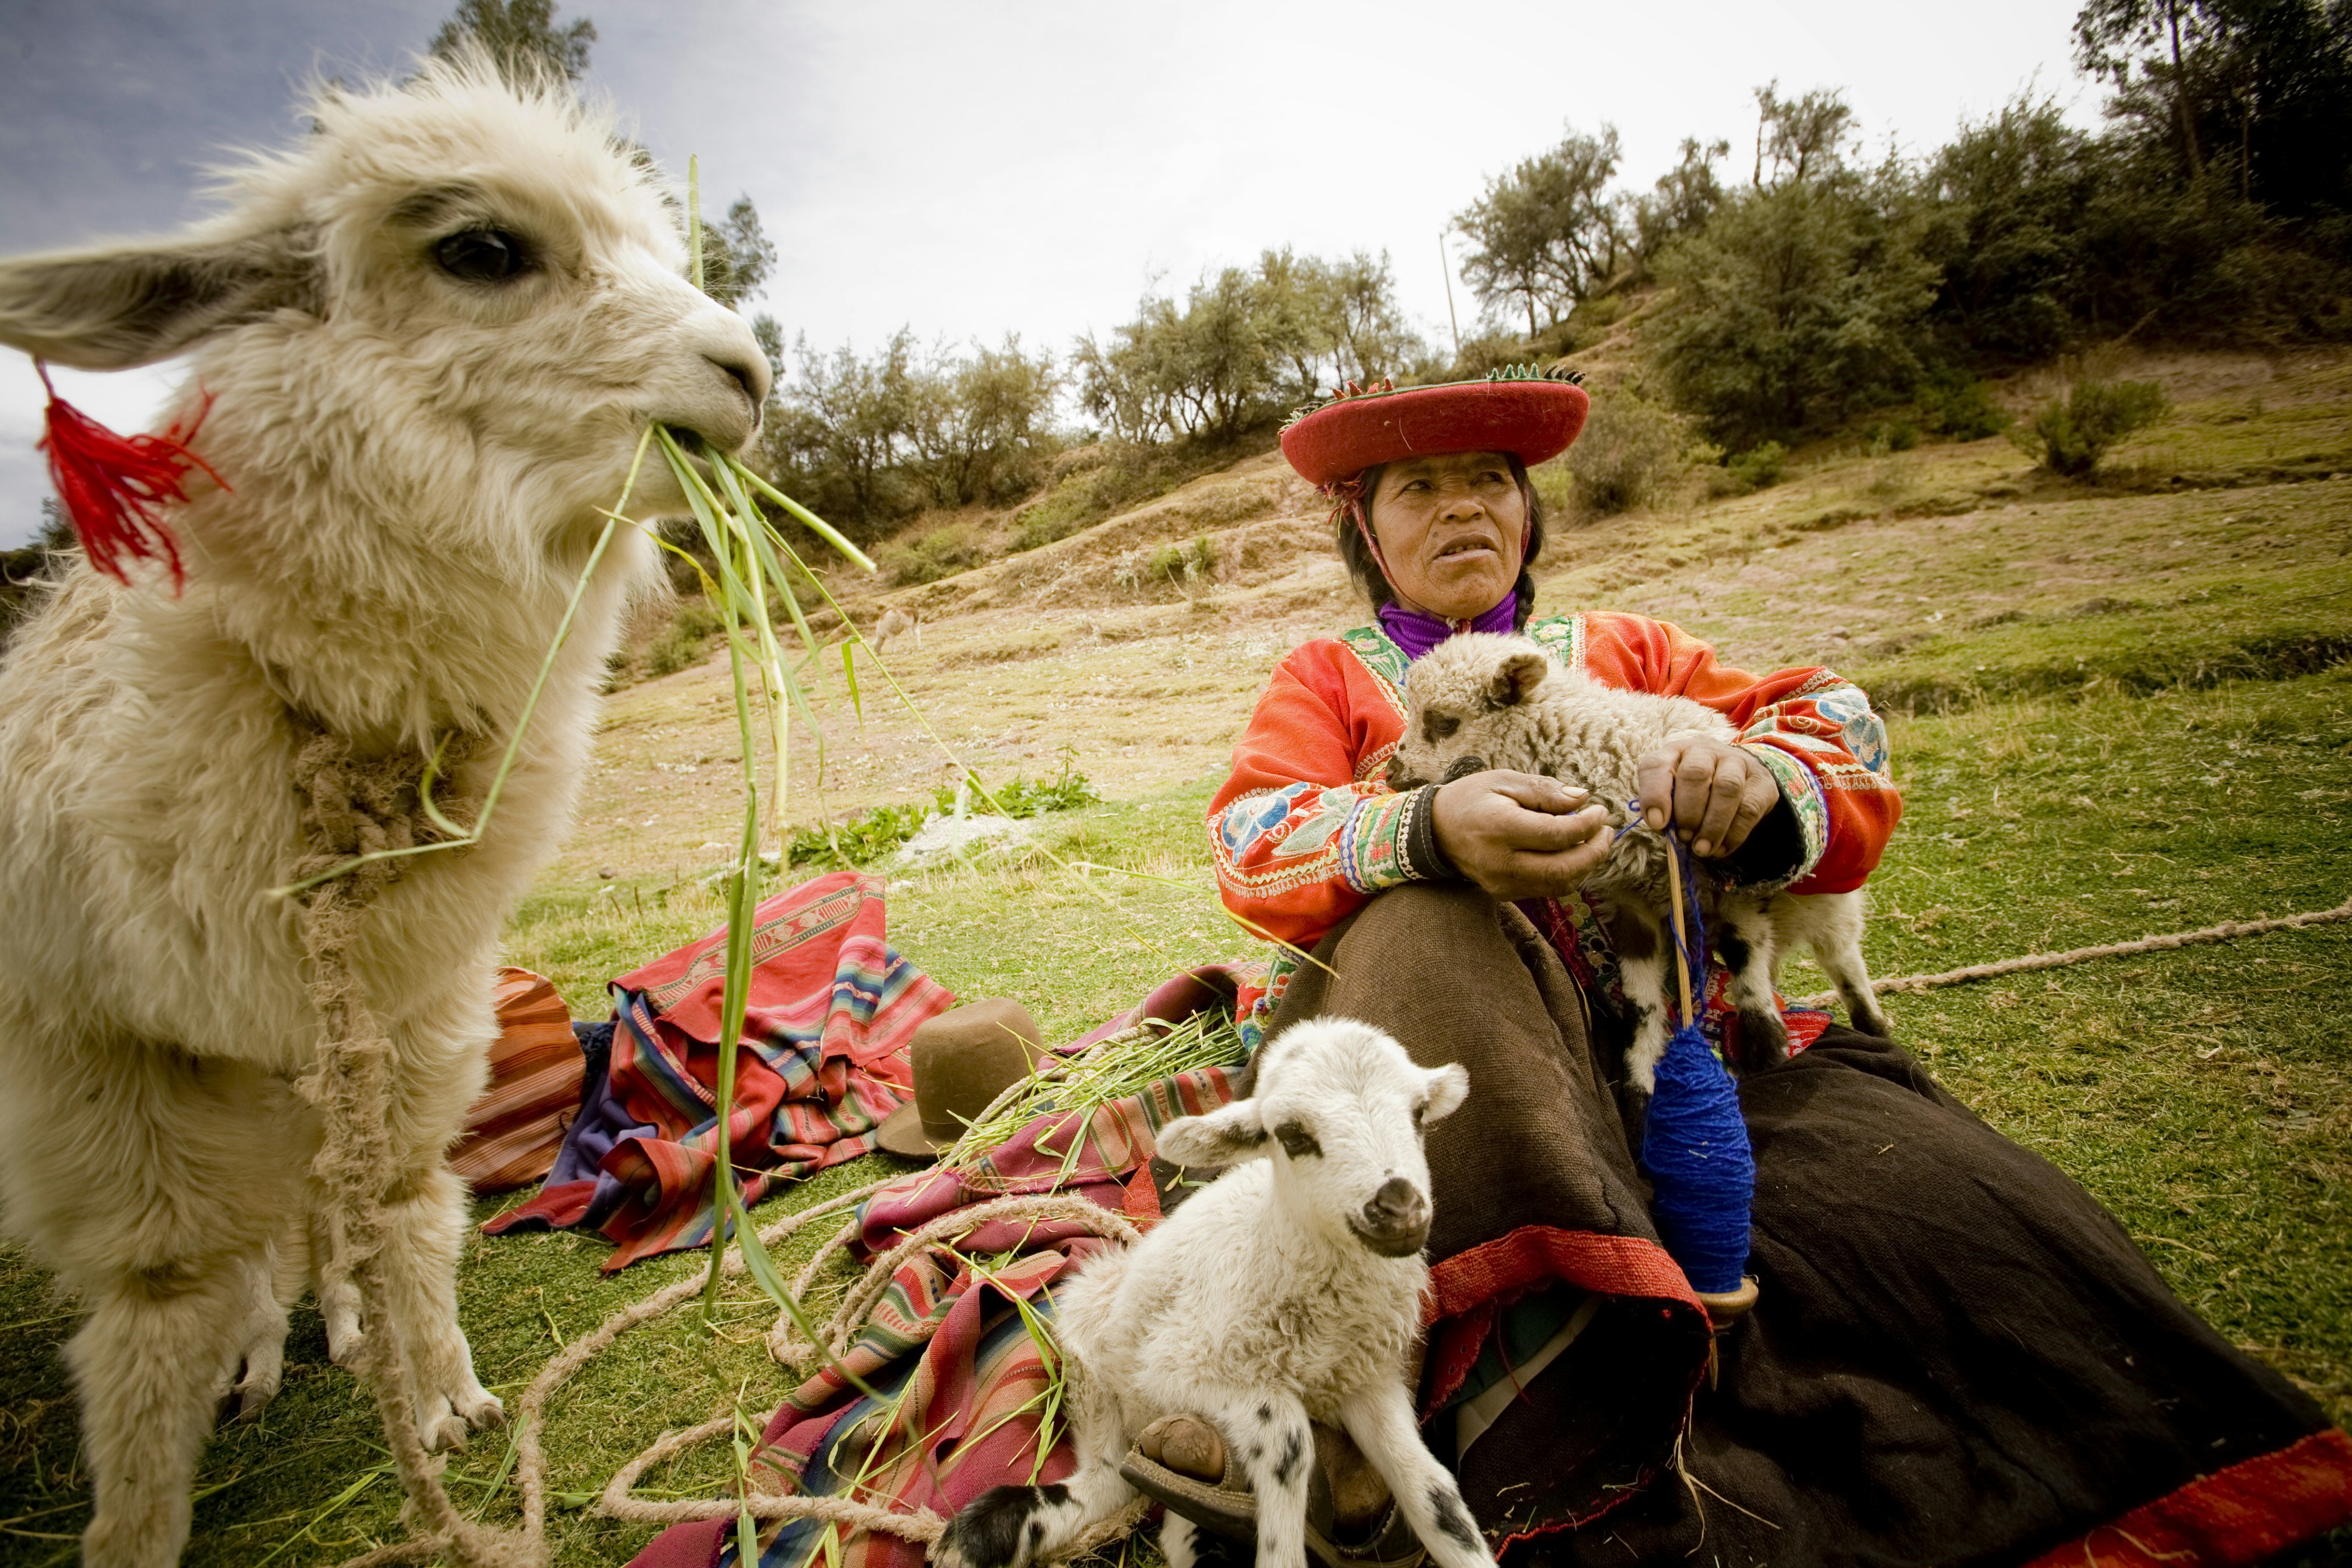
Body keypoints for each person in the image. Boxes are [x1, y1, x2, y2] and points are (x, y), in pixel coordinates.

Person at [1129, 373, 2350, 1566]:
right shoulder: (1331, 680)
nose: (1463, 509)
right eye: (1419, 489)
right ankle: (1348, 1376)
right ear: (1363, 528)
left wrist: (1760, 784)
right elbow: (1252, 834)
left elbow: (1835, 720)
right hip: (1440, 1068)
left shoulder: (1625, 651)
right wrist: (1425, 832)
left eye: (1492, 481)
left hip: (1668, 1054)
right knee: (1424, 921)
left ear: (1530, 509)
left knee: (1953, 1216)